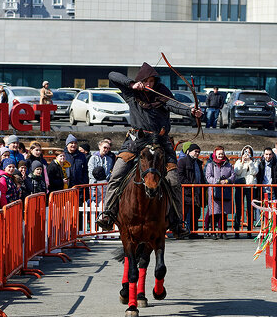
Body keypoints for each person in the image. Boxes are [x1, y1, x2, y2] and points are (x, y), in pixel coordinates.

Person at [95, 63, 201, 236]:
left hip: (161, 143)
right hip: (135, 142)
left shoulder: (162, 95)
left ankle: (177, 221)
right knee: (117, 174)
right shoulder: (132, 94)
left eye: (152, 81)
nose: (150, 84)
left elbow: (176, 106)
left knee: (174, 181)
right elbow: (112, 75)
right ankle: (108, 214)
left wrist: (191, 111)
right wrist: (132, 84)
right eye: (147, 81)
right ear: (141, 81)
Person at [204, 146, 235, 238]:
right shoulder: (210, 165)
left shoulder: (228, 165)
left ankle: (223, 232)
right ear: (215, 154)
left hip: (225, 191)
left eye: (222, 153)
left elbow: (233, 176)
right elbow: (208, 177)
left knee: (224, 213)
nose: (221, 155)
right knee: (214, 212)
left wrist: (227, 181)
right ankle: (213, 231)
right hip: (214, 191)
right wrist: (217, 181)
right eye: (219, 154)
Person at [177, 143, 204, 236]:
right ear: (188, 151)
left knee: (196, 213)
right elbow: (180, 176)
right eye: (195, 151)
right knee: (185, 213)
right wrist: (191, 185)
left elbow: (201, 176)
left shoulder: (198, 163)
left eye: (198, 152)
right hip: (187, 192)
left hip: (197, 192)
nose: (197, 153)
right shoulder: (182, 161)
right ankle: (184, 232)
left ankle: (194, 232)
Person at [232, 145, 259, 234]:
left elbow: (254, 172)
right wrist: (242, 162)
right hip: (240, 186)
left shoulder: (255, 162)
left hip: (250, 187)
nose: (247, 154)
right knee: (238, 208)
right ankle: (236, 229)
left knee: (250, 209)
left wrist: (250, 162)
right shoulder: (238, 162)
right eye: (245, 152)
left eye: (248, 152)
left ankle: (249, 230)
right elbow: (237, 172)